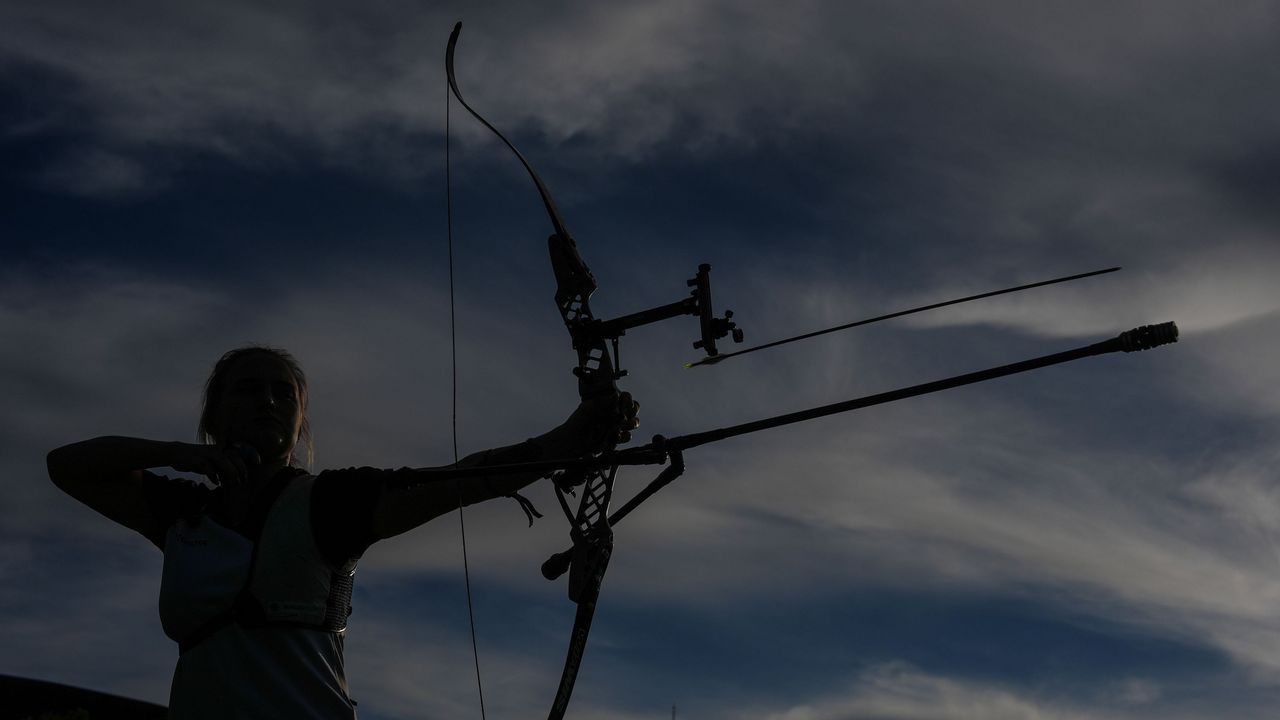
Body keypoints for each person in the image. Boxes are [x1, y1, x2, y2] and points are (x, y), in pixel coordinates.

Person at [46, 345, 637, 718]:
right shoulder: (182, 513)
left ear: (301, 421)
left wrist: (570, 439)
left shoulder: (329, 501)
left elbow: (463, 479)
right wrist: (172, 453)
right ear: (213, 415)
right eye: (247, 388)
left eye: (285, 392)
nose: (268, 401)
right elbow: (66, 465)